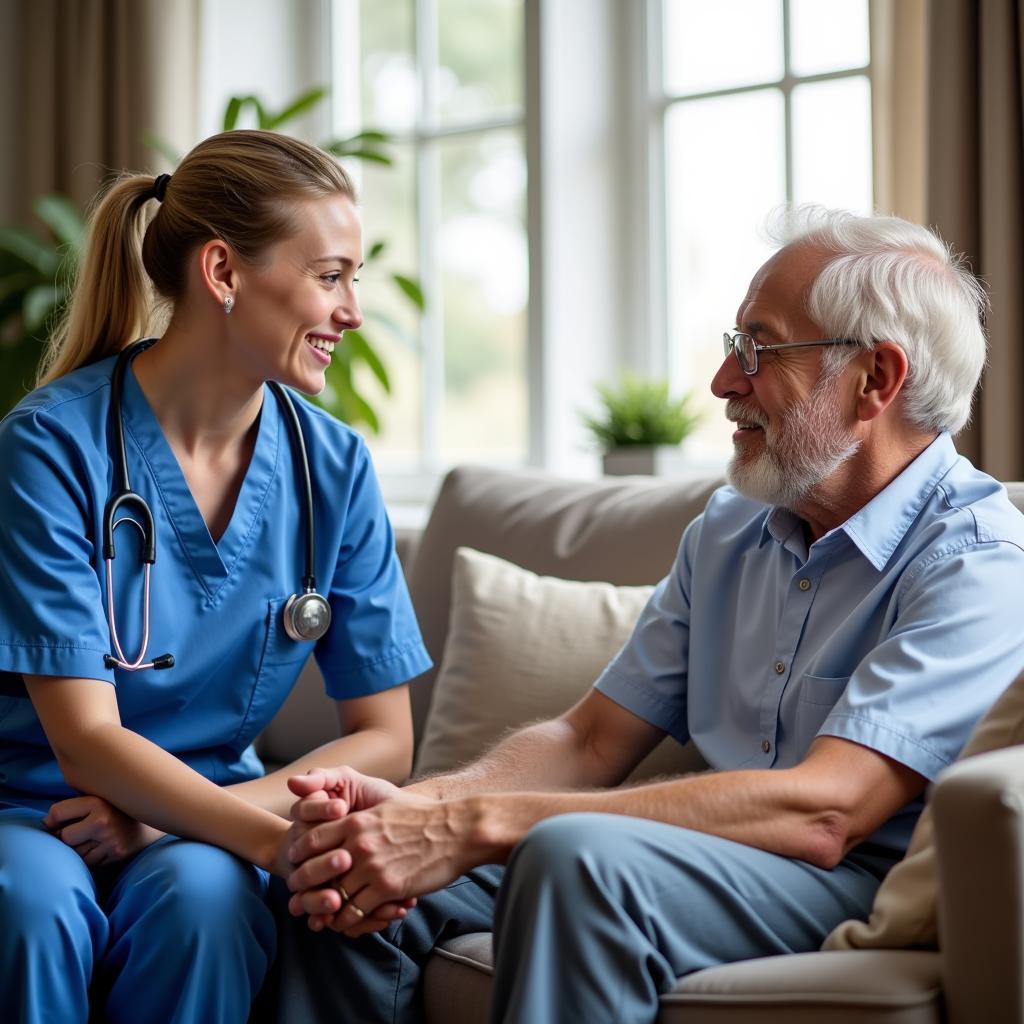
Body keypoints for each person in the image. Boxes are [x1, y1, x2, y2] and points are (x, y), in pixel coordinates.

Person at [273, 207, 1024, 1024]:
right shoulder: (730, 530)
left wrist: (474, 822)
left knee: (577, 859)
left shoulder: (978, 560)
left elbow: (827, 810)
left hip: (848, 874)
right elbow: (589, 739)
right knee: (345, 865)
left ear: (875, 379)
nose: (724, 383)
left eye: (758, 350)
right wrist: (418, 811)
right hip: (709, 854)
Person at [0, 129, 431, 1024]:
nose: (352, 309)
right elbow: (83, 740)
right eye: (330, 275)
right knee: (29, 910)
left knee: (206, 905)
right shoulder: (50, 446)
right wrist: (279, 844)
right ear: (224, 272)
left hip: (211, 810)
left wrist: (172, 817)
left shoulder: (334, 467)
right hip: (33, 808)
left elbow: (387, 735)